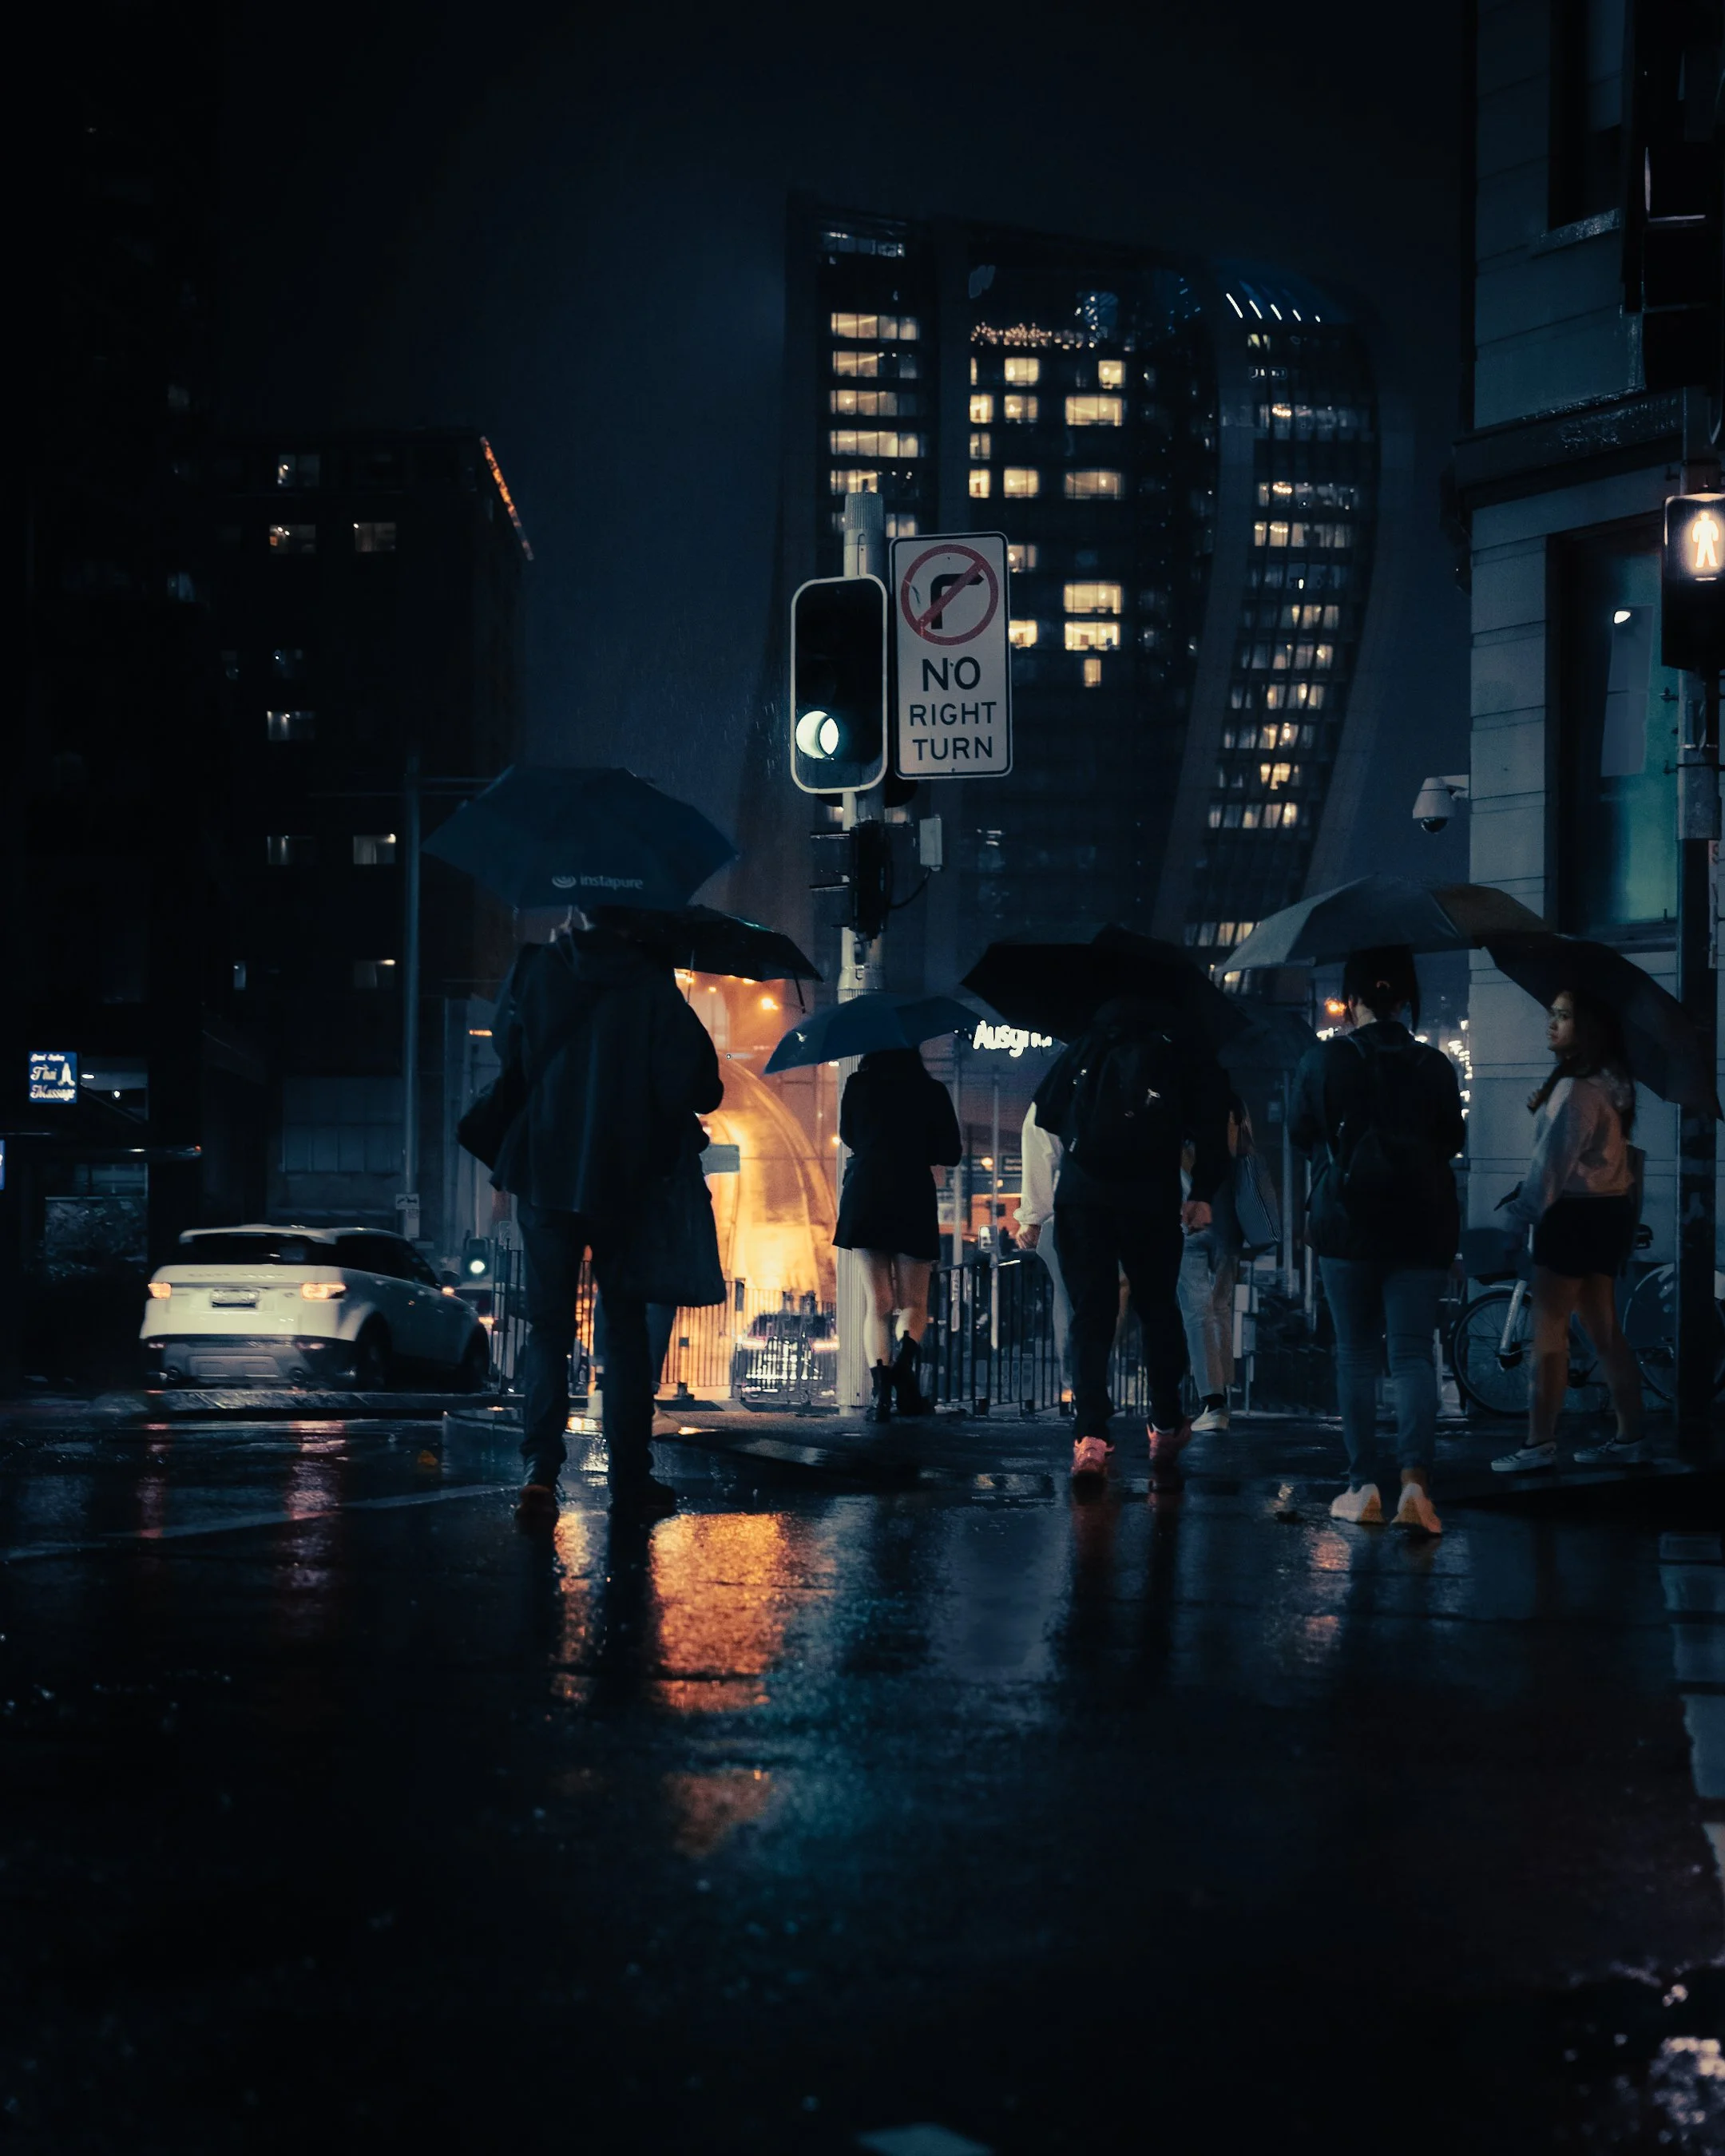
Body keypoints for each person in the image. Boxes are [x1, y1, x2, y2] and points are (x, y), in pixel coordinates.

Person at [491, 917, 722, 1523]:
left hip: (543, 1170)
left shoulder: (533, 968)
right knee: (623, 1332)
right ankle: (630, 1478)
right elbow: (701, 1086)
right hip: (628, 1179)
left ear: (574, 915)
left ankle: (539, 1470)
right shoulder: (651, 982)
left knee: (547, 1327)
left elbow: (506, 1055)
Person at [1291, 945, 1465, 1536]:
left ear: (1354, 1001)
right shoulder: (1434, 1066)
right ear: (1407, 1001)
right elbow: (1451, 1140)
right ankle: (1416, 1487)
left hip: (1347, 1227)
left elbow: (1299, 1130)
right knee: (1412, 1354)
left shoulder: (1325, 1061)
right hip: (1422, 1227)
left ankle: (1362, 1485)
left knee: (1357, 1355)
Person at [1033, 994, 1229, 1482]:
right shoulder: (1177, 1050)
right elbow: (1212, 1125)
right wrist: (1200, 1191)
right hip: (1151, 1198)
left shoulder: (1085, 1045)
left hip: (1082, 1198)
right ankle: (1164, 1424)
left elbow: (1046, 1114)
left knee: (1092, 1315)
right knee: (1158, 1308)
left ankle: (1092, 1437)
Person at [1491, 988, 1644, 1472]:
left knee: (1549, 1331)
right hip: (1608, 1212)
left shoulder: (1577, 1092)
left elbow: (1550, 1168)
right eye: (1552, 1014)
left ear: (1589, 1029)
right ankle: (1631, 1435)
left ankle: (1538, 1444)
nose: (1551, 1023)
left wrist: (1519, 1218)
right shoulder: (1610, 1085)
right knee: (1604, 1330)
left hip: (1573, 1216)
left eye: (1563, 1016)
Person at [833, 1046, 963, 1422]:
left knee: (878, 1303)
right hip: (912, 1195)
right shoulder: (932, 1091)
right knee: (913, 1303)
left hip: (866, 1192)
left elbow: (848, 1136)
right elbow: (950, 1152)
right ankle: (904, 1367)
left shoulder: (858, 1084)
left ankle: (881, 1396)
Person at [1178, 1094, 1251, 1433]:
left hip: (1188, 1213)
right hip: (1230, 1217)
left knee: (1196, 1310)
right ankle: (1224, 1394)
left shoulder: (1175, 1103)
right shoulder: (1234, 1106)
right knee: (1221, 1305)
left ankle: (1213, 1400)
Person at [1017, 1100, 1073, 1394]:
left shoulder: (1062, 1087)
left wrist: (1033, 1218)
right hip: (1137, 1210)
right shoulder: (1143, 1079)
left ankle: (1076, 1386)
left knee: (1069, 1301)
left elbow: (1038, 1150)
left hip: (1070, 1211)